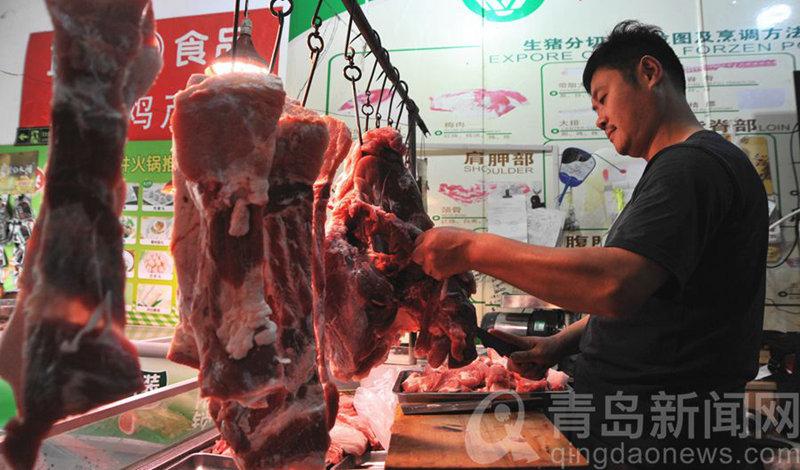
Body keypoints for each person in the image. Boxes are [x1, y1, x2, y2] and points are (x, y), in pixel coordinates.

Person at [412, 20, 767, 469]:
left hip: (659, 435)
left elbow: (615, 285)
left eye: (603, 97)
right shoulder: (687, 167)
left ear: (649, 72)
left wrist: (470, 249)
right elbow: (654, 296)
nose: (598, 118)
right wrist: (559, 343)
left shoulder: (691, 167)